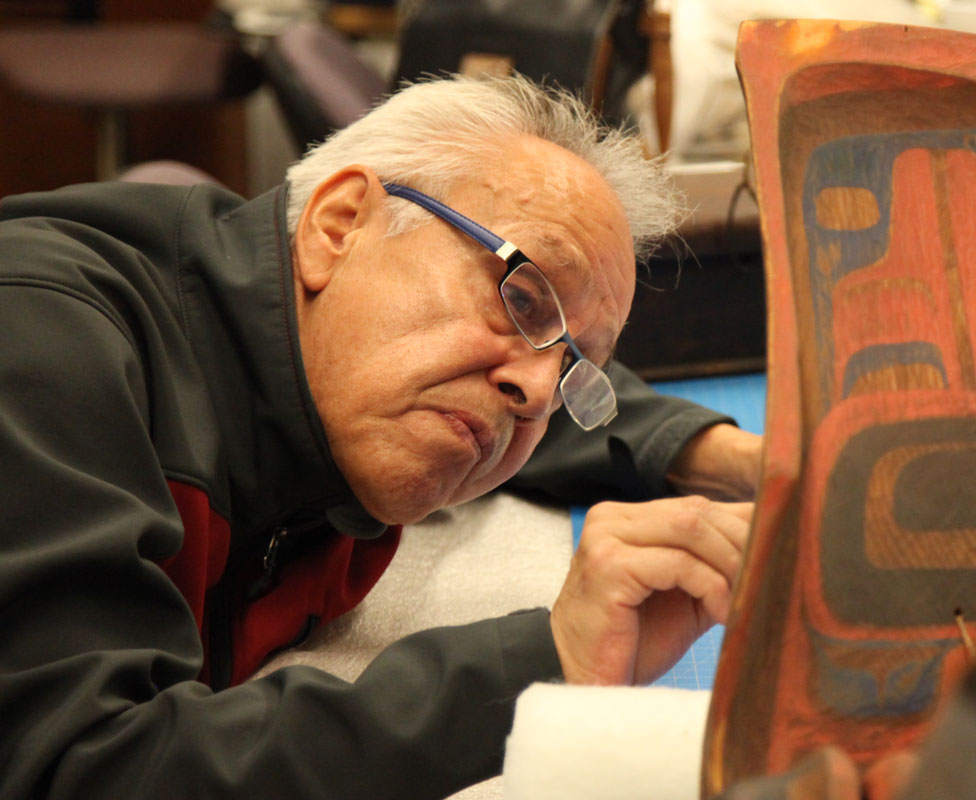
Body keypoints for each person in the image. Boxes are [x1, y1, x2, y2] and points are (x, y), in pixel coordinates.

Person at [0, 74, 761, 799]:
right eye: (524, 297)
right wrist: (546, 653)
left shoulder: (348, 374)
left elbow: (512, 390)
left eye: (571, 373)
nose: (533, 393)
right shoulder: (42, 348)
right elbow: (85, 770)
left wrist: (730, 460)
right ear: (338, 226)